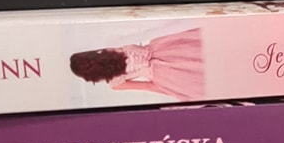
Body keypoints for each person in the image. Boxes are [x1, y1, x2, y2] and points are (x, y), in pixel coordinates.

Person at [69, 26, 207, 98]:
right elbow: (148, 87)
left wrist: (175, 89)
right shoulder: (112, 45)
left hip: (164, 72)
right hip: (164, 50)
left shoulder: (115, 82)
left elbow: (149, 87)